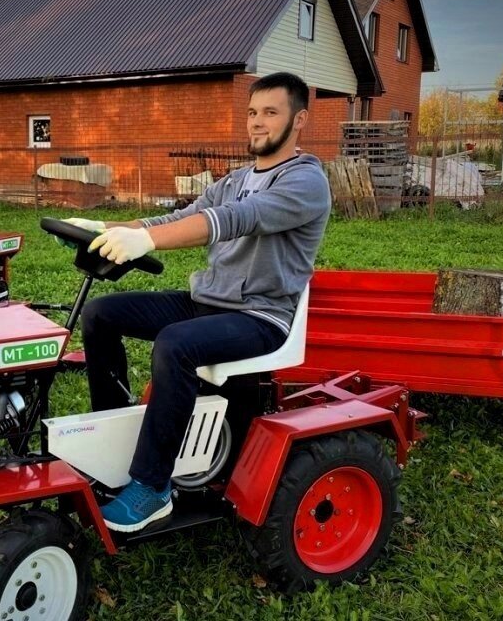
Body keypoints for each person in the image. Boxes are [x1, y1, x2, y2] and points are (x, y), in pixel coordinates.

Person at [67, 72, 331, 532]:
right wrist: (108, 228)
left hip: (260, 316)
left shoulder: (306, 181)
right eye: (252, 112)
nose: (257, 123)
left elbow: (235, 219)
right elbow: (182, 215)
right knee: (101, 313)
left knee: (175, 344)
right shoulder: (236, 178)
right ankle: (113, 428)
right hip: (206, 301)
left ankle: (152, 487)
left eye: (271, 112)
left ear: (299, 119)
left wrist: (147, 241)